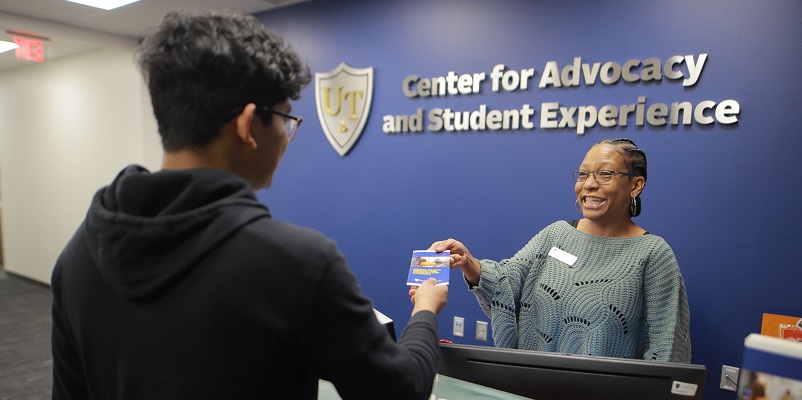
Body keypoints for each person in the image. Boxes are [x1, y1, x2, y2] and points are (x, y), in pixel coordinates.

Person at [50, 11, 448, 400]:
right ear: (247, 126)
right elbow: (401, 390)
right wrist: (425, 312)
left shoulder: (77, 257)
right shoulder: (299, 265)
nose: (287, 136)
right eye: (285, 119)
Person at [429, 138, 691, 363]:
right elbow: (507, 283)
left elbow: (665, 349)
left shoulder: (653, 254)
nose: (589, 184)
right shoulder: (556, 234)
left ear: (635, 185)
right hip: (532, 387)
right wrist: (468, 262)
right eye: (583, 174)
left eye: (605, 174)